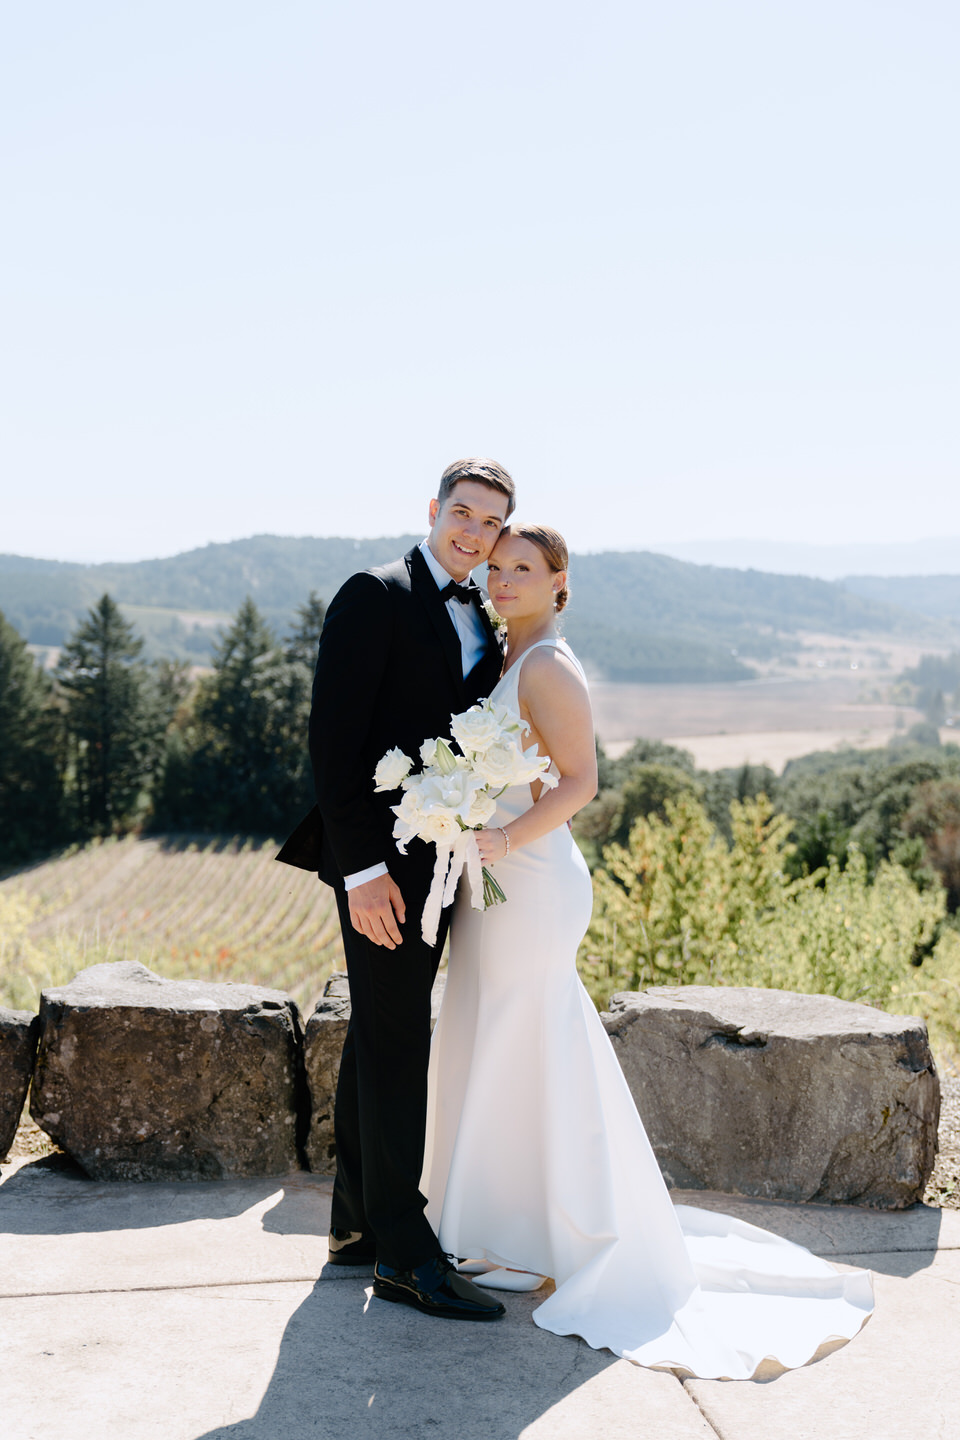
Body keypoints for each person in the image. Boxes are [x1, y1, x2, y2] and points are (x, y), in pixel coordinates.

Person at [421, 522, 876, 1379]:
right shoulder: (509, 660)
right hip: (495, 884)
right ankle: (504, 1227)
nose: (505, 579)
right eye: (499, 568)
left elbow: (583, 781)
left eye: (526, 569)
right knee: (496, 1036)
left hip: (531, 880)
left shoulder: (548, 664)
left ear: (560, 586)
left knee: (534, 1036)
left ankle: (557, 1228)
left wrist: (502, 838)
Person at [278, 458, 515, 1322]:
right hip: (380, 868)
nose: (474, 532)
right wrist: (363, 874)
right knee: (399, 1042)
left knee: (383, 1034)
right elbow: (333, 746)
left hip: (443, 863)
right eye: (463, 513)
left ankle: (355, 1225)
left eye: (491, 523)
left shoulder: (482, 612)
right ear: (434, 510)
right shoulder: (373, 593)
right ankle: (407, 1256)